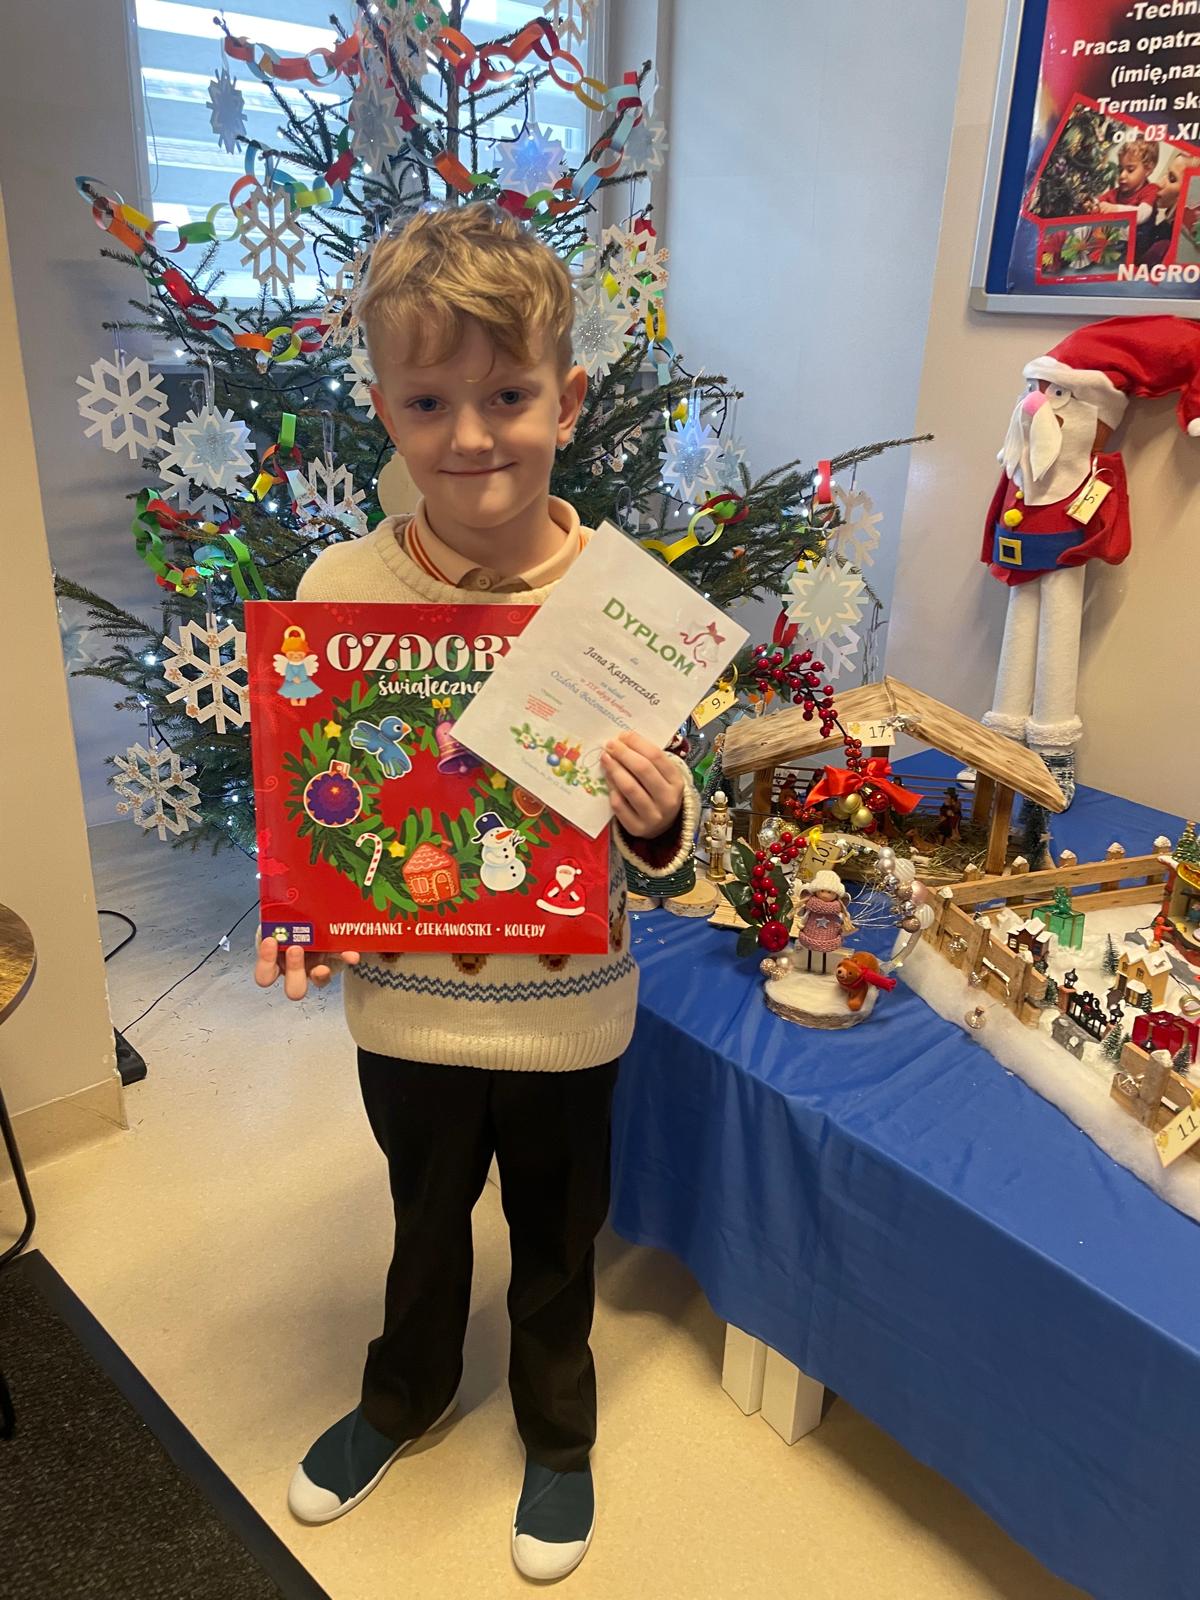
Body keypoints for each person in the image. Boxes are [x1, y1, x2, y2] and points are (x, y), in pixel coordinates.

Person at [253, 203, 698, 1583]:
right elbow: (316, 792)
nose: (470, 436)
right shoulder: (341, 587)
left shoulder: (626, 608)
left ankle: (557, 1431)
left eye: (508, 396)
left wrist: (662, 818)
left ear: (568, 400)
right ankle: (405, 1393)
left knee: (558, 1240)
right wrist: (299, 909)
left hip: (571, 1011)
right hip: (410, 1012)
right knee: (424, 1219)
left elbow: (675, 837)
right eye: (429, 401)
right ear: (383, 406)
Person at [1096, 139, 1159, 224]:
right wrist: (1093, 205)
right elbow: (1098, 202)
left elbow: (1142, 214)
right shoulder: (1115, 193)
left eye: (1130, 170)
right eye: (1120, 169)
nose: (1122, 175)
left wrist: (1115, 209)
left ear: (1148, 169)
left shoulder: (1150, 190)